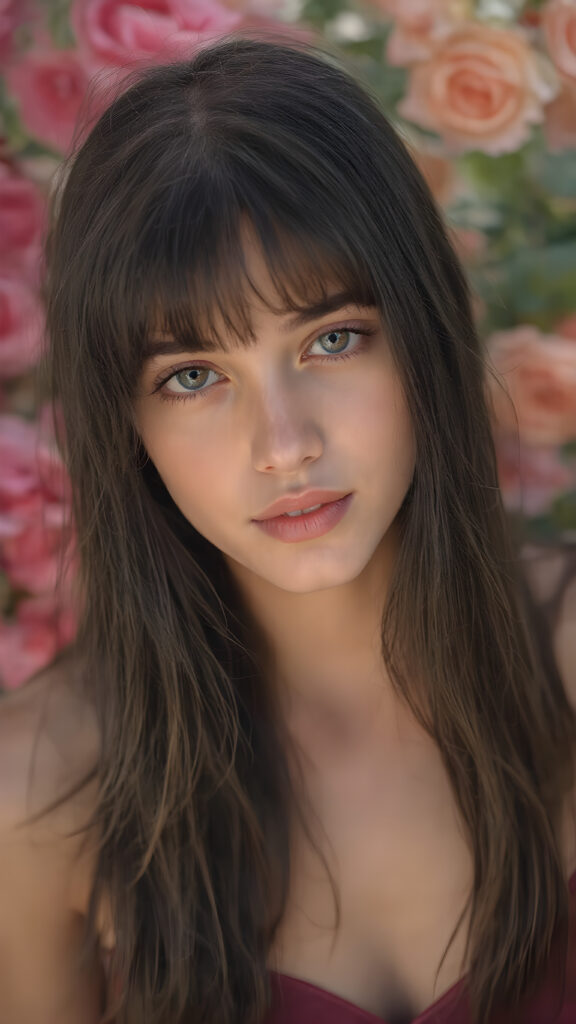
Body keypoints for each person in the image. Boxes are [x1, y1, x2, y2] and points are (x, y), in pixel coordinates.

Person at [0, 32, 574, 1024]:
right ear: (125, 423)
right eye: (192, 376)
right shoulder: (40, 796)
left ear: (423, 333)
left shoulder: (563, 660)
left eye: (332, 338)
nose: (285, 445)